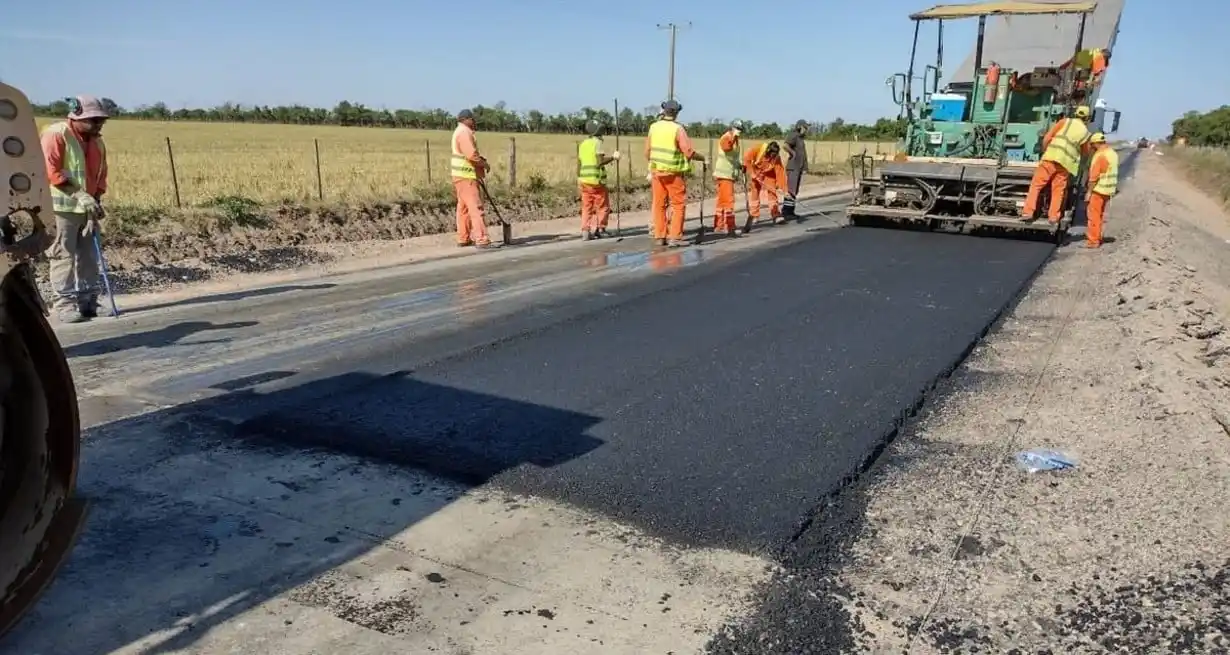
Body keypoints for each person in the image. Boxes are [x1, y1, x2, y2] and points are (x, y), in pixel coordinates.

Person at [40, 95, 112, 323]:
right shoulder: (56, 135)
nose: (98, 124)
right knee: (63, 256)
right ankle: (65, 304)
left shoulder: (97, 142)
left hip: (87, 209)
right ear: (77, 117)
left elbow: (100, 176)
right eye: (93, 120)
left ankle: (89, 301)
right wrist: (80, 195)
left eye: (101, 120)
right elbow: (52, 171)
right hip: (62, 208)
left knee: (89, 257)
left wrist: (95, 201)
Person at [644, 99, 704, 247]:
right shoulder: (678, 129)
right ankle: (675, 237)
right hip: (673, 174)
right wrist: (702, 158)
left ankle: (660, 236)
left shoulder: (654, 127)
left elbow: (647, 152)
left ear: (664, 110)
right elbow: (688, 152)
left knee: (659, 205)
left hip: (657, 172)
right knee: (678, 204)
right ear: (676, 113)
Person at [1021, 105, 1092, 224]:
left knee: (1036, 185)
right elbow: (1086, 152)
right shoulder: (1086, 133)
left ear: (1076, 114)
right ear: (1087, 118)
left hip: (1050, 158)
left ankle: (1028, 212)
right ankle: (1053, 216)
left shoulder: (1064, 122)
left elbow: (1048, 137)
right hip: (1065, 164)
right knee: (1058, 190)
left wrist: (1044, 150)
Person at [450, 108, 498, 249]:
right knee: (475, 208)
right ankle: (482, 239)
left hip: (459, 176)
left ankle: (463, 238)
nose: (474, 122)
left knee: (463, 208)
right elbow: (471, 155)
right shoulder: (464, 132)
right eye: (473, 119)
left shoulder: (458, 131)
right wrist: (484, 164)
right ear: (467, 119)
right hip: (467, 175)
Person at [577, 119, 620, 240]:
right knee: (602, 206)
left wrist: (579, 178)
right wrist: (613, 157)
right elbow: (599, 162)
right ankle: (601, 229)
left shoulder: (583, 144)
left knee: (586, 207)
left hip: (584, 180)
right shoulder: (597, 143)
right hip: (596, 181)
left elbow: (579, 163)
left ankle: (585, 231)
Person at [1084, 132, 1118, 249]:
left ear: (1095, 144)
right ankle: (1097, 237)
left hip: (1098, 190)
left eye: (1092, 145)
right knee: (1100, 215)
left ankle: (1093, 241)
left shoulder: (1100, 155)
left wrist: (1088, 192)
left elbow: (1094, 177)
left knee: (1093, 216)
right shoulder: (1112, 153)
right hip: (1108, 190)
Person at [742, 141, 787, 229]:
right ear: (768, 151)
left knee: (772, 192)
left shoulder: (776, 158)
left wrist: (784, 189)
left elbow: (780, 173)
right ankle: (754, 215)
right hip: (757, 172)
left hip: (769, 174)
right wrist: (752, 173)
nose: (772, 157)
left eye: (774, 156)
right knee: (755, 194)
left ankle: (776, 214)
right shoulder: (757, 149)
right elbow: (746, 159)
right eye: (771, 155)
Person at [710, 120, 744, 235]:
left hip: (728, 174)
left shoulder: (735, 140)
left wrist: (740, 166)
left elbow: (733, 157)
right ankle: (729, 226)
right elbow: (726, 148)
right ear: (732, 128)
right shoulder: (727, 137)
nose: (739, 132)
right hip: (724, 174)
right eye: (737, 129)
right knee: (728, 201)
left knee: (722, 202)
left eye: (741, 130)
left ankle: (719, 226)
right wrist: (733, 137)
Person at [781, 120, 809, 220]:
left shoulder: (801, 138)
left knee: (794, 191)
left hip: (798, 168)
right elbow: (785, 145)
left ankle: (791, 211)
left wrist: (805, 168)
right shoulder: (793, 135)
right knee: (791, 190)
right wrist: (792, 153)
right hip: (793, 168)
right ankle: (786, 211)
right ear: (799, 127)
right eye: (805, 128)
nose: (806, 130)